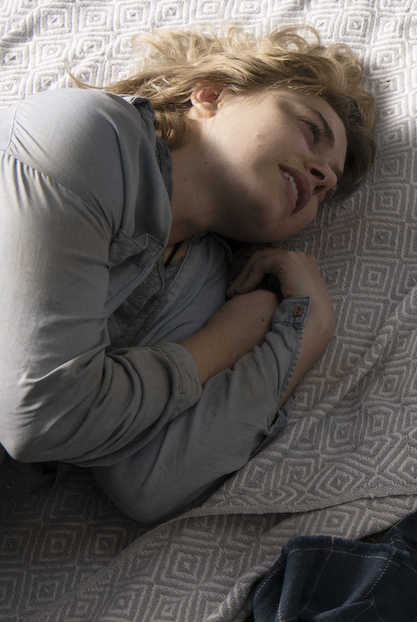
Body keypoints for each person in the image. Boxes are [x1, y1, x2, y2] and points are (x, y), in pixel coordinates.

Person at [0, 27, 377, 523]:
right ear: (211, 94)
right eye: (310, 129)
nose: (323, 177)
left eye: (327, 189)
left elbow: (153, 481)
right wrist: (226, 339)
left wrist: (306, 329)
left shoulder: (200, 280)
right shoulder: (88, 134)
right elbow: (40, 416)